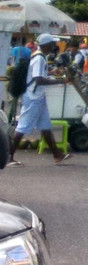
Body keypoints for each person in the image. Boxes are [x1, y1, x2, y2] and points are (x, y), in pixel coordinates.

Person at [9, 34, 72, 166]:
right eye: (51, 44)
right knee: (22, 127)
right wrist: (61, 81)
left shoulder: (38, 56)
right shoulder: (40, 59)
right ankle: (8, 157)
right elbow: (38, 79)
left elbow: (38, 75)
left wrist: (51, 73)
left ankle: (57, 155)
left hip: (37, 96)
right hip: (33, 97)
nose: (53, 46)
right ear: (45, 45)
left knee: (45, 126)